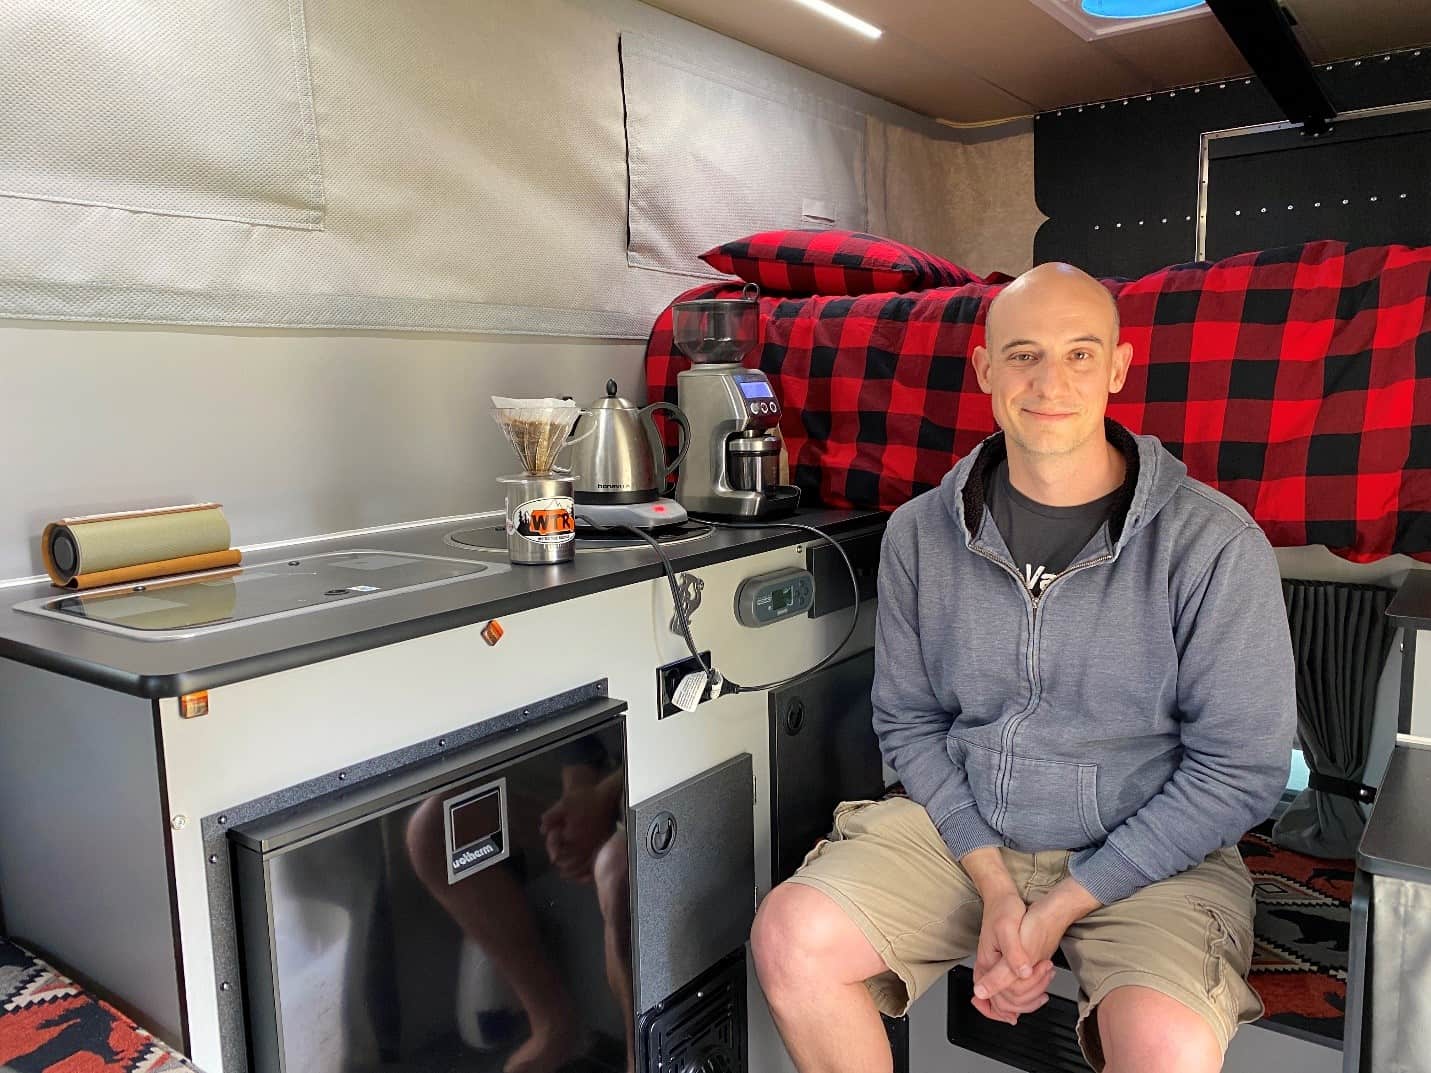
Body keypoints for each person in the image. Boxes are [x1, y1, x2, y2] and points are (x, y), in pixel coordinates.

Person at [750, 262, 1296, 1073]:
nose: (1050, 381)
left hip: (1146, 850)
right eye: (1023, 355)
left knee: (1169, 1048)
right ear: (984, 370)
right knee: (790, 937)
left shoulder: (1212, 542)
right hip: (964, 834)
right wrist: (998, 887)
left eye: (1080, 355)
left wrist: (1061, 905)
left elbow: (1240, 769)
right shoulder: (916, 533)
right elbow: (907, 719)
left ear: (1116, 368)